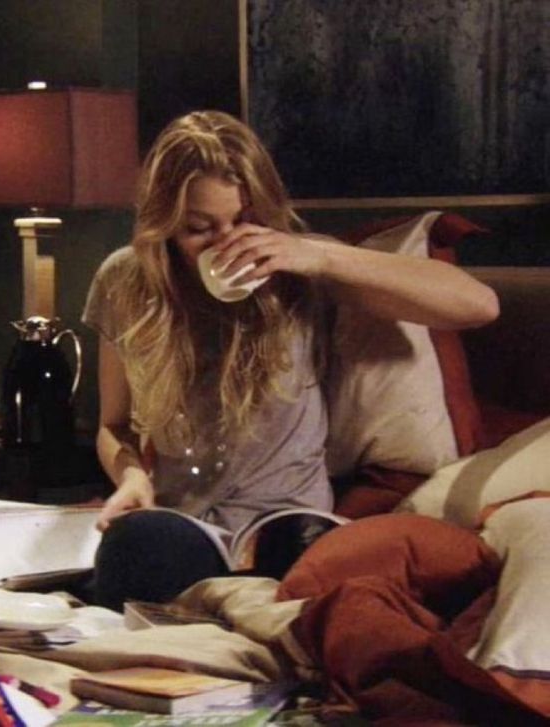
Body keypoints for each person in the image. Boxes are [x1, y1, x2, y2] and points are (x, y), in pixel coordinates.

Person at [82, 110, 499, 611]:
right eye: (200, 229)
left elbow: (478, 306)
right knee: (137, 551)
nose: (227, 243)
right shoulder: (126, 280)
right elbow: (112, 426)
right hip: (184, 522)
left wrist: (317, 256)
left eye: (243, 221)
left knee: (320, 575)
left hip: (287, 524)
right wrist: (131, 476)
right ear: (166, 225)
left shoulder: (300, 269)